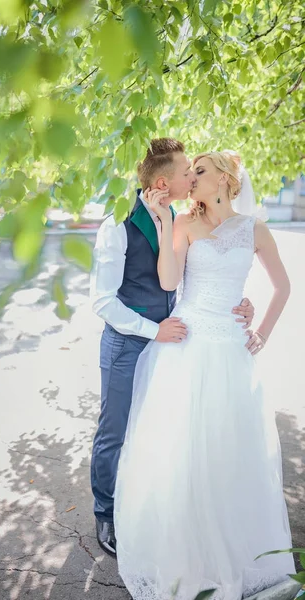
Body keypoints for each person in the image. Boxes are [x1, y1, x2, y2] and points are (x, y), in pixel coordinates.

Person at [114, 150, 295, 600]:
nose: (190, 178)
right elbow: (171, 284)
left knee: (228, 448)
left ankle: (232, 554)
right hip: (189, 345)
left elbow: (283, 287)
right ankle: (187, 554)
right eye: (189, 171)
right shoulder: (183, 223)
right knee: (184, 450)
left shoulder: (255, 229)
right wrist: (160, 222)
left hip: (231, 349)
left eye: (199, 171)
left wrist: (262, 333)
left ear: (226, 179)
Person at [90, 139, 256, 558]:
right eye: (188, 172)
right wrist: (152, 330)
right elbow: (103, 301)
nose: (192, 178)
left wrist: (241, 303)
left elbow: (202, 272)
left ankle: (143, 508)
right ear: (165, 181)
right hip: (129, 343)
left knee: (154, 431)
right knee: (116, 431)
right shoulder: (117, 222)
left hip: (174, 341)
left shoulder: (178, 217)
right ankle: (106, 514)